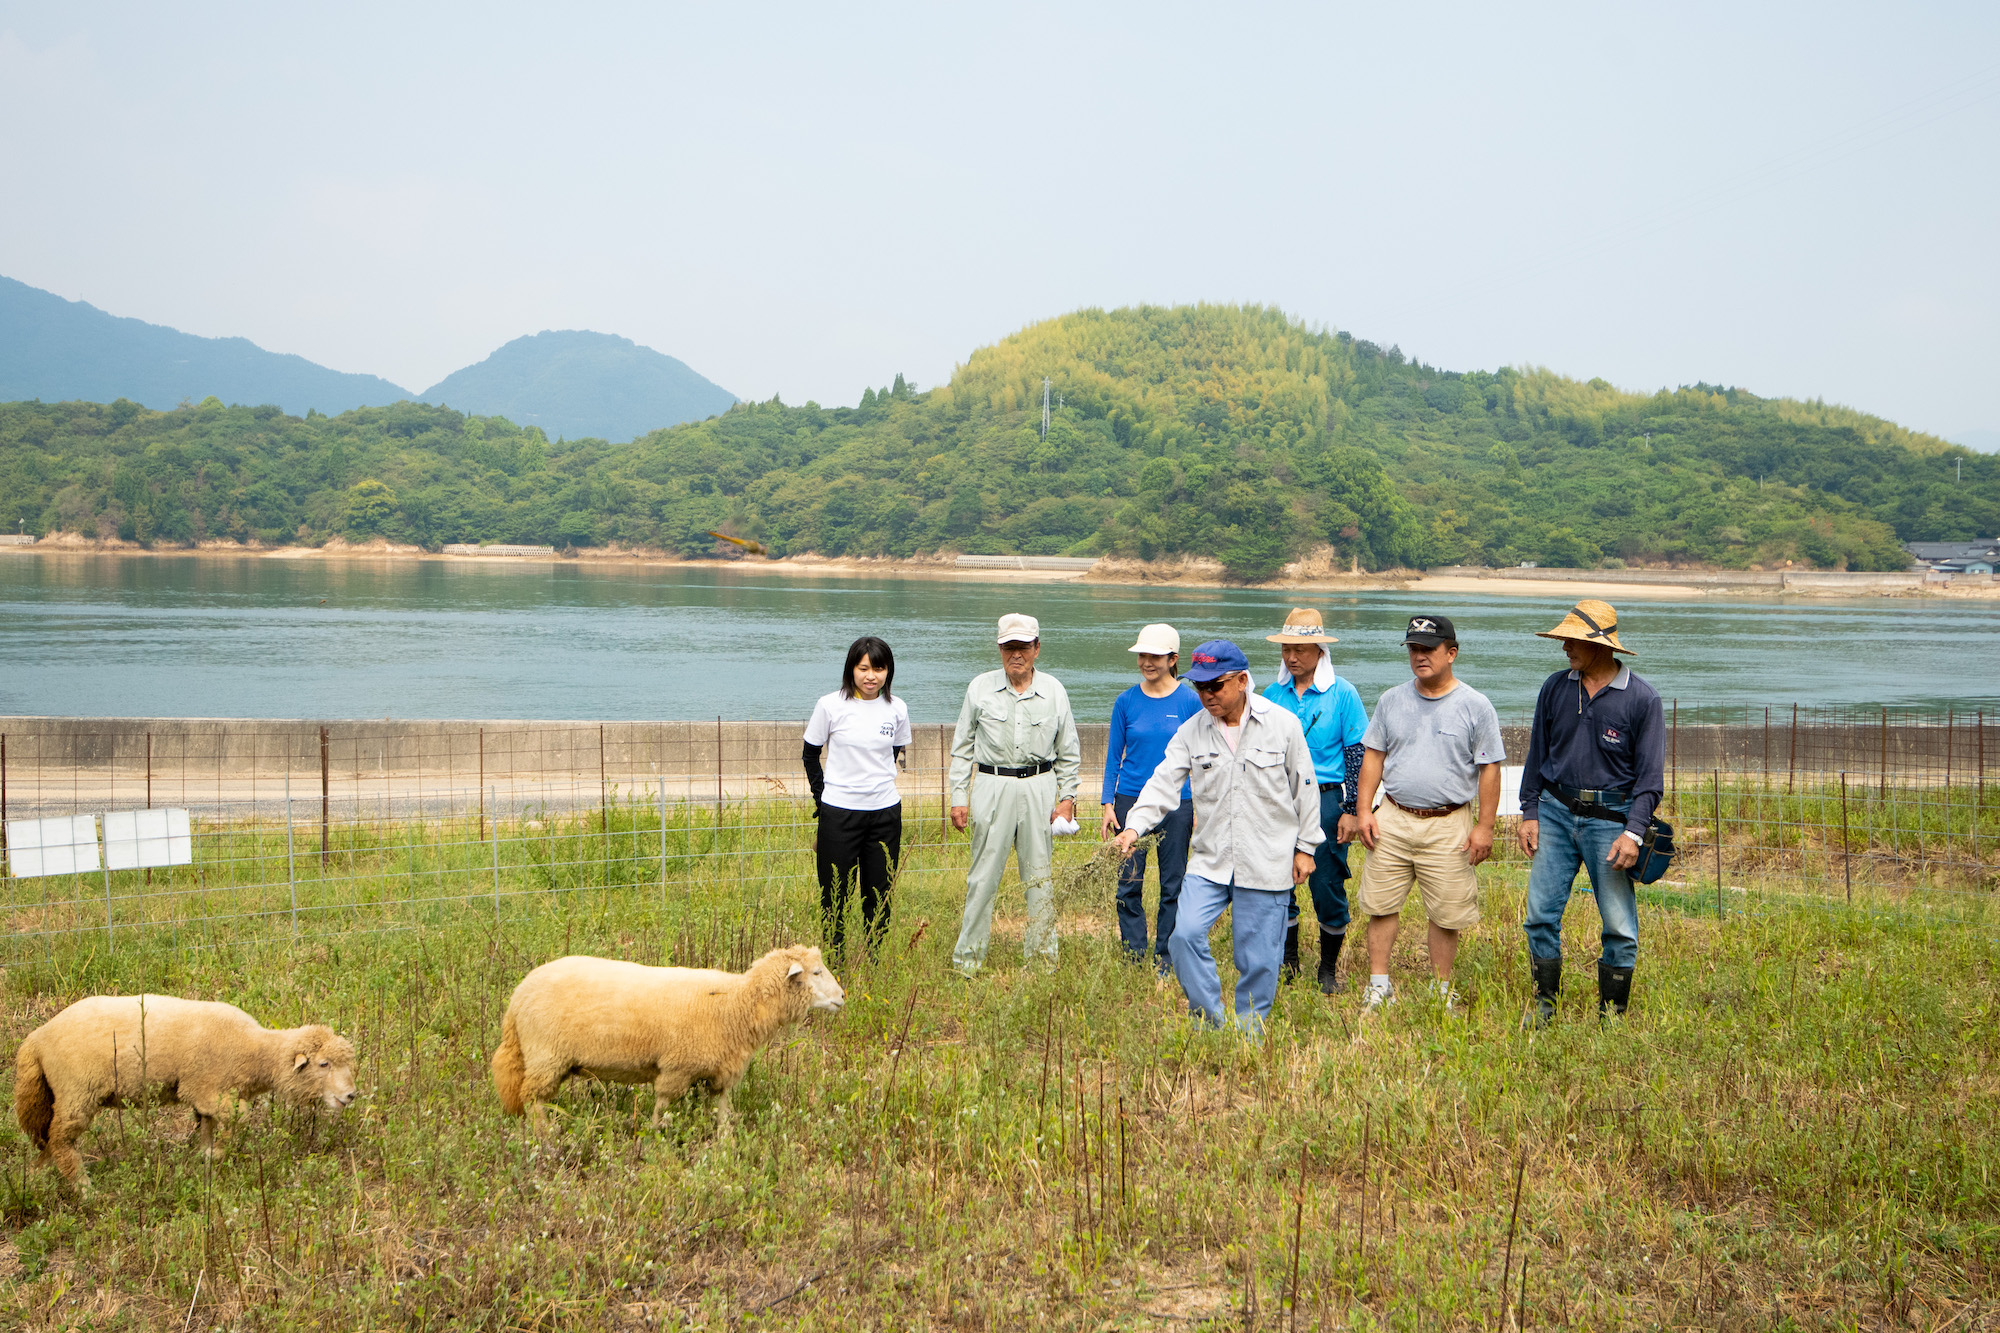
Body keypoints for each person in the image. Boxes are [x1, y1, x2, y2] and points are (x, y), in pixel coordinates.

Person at [1114, 640, 1321, 1035]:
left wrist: (1306, 848)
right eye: (1200, 687)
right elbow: (1162, 783)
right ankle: (1210, 1022)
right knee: (1184, 935)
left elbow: (1305, 788)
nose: (1207, 695)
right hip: (1210, 859)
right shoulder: (1191, 732)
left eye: (1216, 686)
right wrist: (1133, 827)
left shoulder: (1282, 725)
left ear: (1243, 681)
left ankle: (1250, 1032)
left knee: (1258, 956)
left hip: (1267, 857)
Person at [1516, 600, 1665, 1024]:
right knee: (1540, 915)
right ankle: (1546, 1005)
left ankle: (1612, 1014)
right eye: (1564, 637)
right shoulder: (1555, 688)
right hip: (1556, 812)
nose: (1564, 646)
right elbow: (1537, 755)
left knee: (1618, 924)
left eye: (1573, 639)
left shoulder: (1642, 699)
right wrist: (1530, 811)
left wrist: (1634, 833)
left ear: (1602, 646)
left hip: (1613, 821)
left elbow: (1650, 782)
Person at [1354, 614, 1504, 1011]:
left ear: (1451, 653)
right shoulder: (1391, 699)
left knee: (1446, 910)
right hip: (1394, 817)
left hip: (1449, 821)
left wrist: (1485, 826)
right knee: (1381, 905)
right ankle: (1379, 985)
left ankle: (1440, 991)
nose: (1420, 656)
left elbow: (1489, 767)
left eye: (1429, 649)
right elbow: (1373, 756)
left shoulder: (1476, 705)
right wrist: (1364, 810)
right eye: (1414, 649)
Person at [947, 613, 1081, 976]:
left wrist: (1067, 799)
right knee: (982, 878)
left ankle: (1042, 962)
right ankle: (967, 962)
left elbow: (1068, 751)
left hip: (1040, 786)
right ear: (999, 649)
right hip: (991, 787)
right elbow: (962, 748)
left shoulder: (1054, 690)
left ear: (1037, 648)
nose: (1015, 654)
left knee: (1039, 878)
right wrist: (959, 797)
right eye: (1008, 647)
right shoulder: (979, 688)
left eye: (1023, 647)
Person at [1261, 608, 1369, 993]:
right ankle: (1287, 965)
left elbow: (1357, 754)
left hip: (1325, 800)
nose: (1293, 657)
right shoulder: (1271, 695)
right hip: (1279, 799)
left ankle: (1327, 969)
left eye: (1301, 650)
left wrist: (1353, 809)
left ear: (1320, 651)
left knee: (1327, 883)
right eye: (1288, 649)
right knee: (1278, 880)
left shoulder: (1343, 694)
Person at [802, 636, 913, 962]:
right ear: (851, 669)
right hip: (839, 815)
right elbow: (810, 755)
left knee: (879, 894)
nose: (870, 676)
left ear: (888, 672)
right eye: (863, 668)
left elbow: (893, 751)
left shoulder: (897, 708)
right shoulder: (830, 705)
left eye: (878, 668)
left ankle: (875, 958)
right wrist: (822, 799)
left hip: (884, 814)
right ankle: (834, 961)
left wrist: (873, 783)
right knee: (835, 894)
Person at [1100, 624, 1201, 972]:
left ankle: (1167, 957)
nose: (1147, 662)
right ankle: (1133, 954)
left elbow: (1200, 758)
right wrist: (1107, 804)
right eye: (1143, 655)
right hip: (1129, 798)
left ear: (1173, 659)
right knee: (1128, 881)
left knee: (1173, 882)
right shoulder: (1126, 701)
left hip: (1179, 801)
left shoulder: (1190, 700)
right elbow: (1114, 756)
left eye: (1155, 656)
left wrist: (1199, 806)